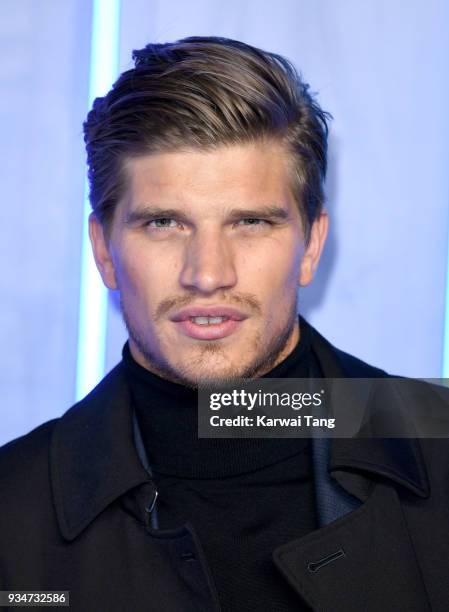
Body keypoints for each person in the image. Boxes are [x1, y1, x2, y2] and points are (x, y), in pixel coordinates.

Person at [1, 36, 448, 612]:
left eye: (251, 223)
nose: (208, 274)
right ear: (104, 252)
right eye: (164, 223)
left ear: (311, 245)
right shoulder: (13, 512)